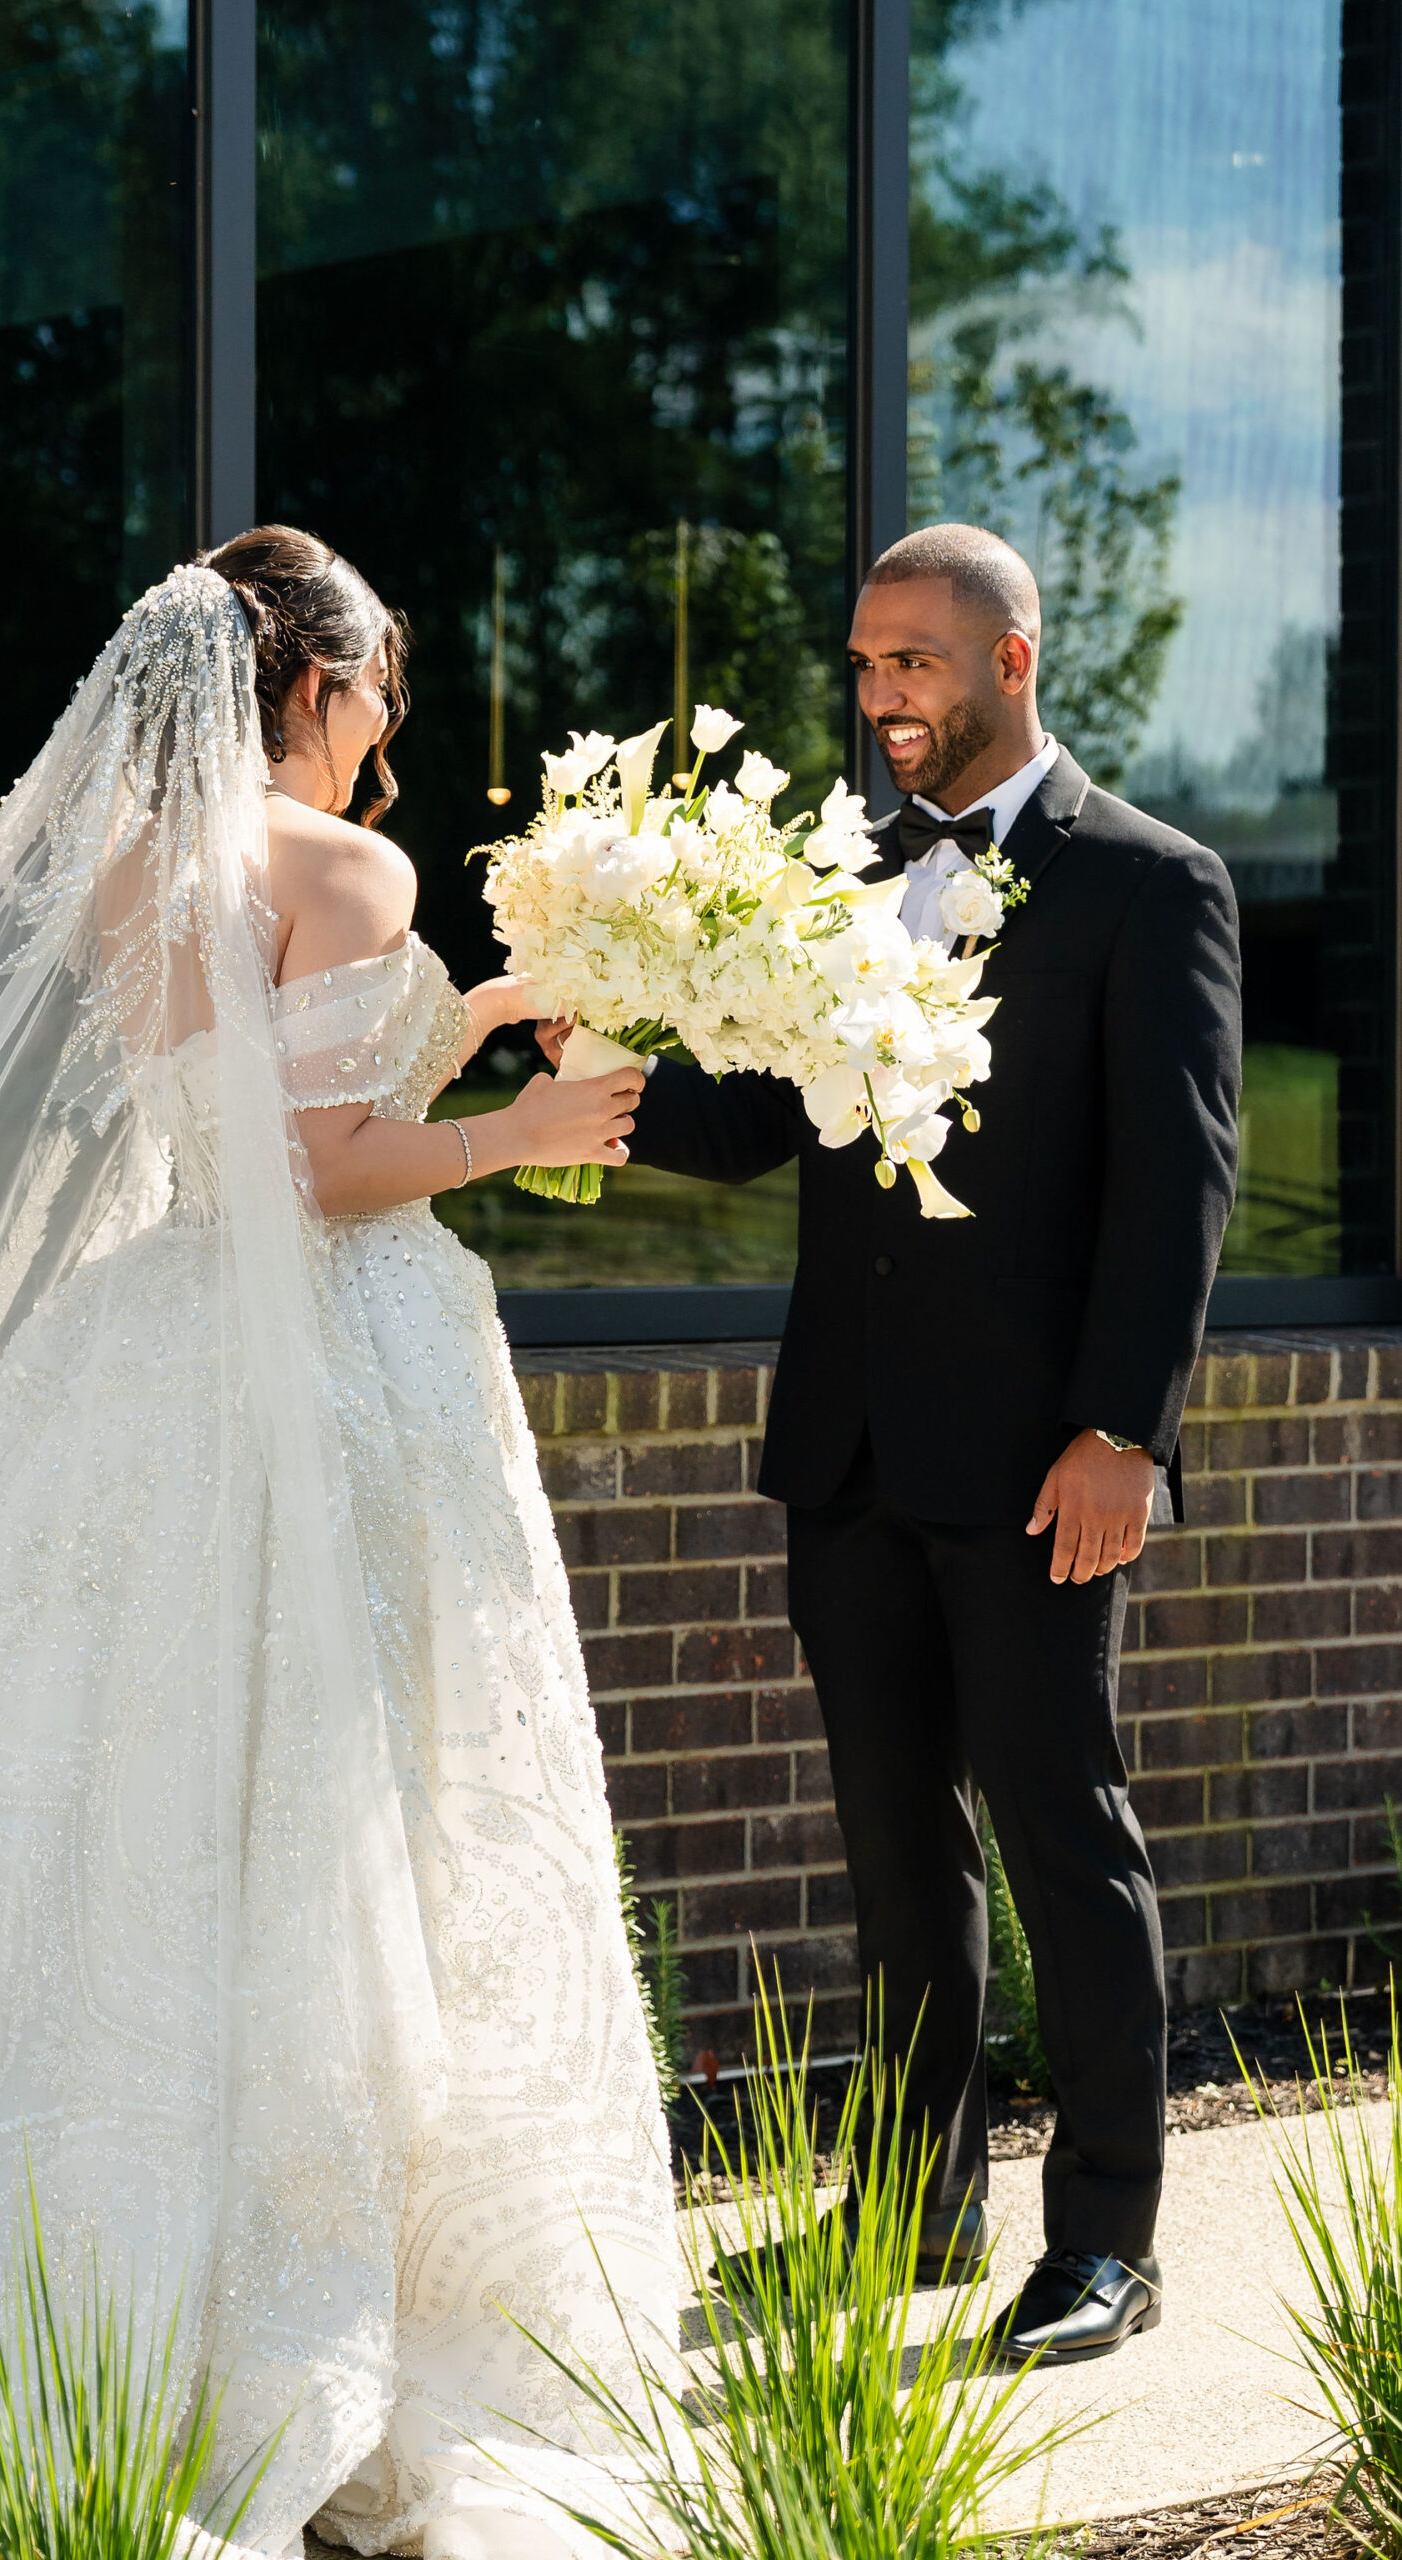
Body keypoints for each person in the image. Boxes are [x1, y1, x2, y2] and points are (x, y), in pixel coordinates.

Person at [0, 532, 671, 2558]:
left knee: (132, 1807)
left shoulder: (127, 871)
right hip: (328, 1367)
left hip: (146, 1356)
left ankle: (73, 2247)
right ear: (304, 683)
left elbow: (238, 1105)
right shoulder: (347, 866)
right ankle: (324, 2307)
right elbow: (321, 1169)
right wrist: (522, 1128)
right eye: (379, 679)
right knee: (347, 1807)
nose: (388, 718)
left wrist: (468, 1017)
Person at [583, 522, 1242, 2365]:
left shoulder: (1147, 882)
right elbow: (748, 1123)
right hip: (850, 1457)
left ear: (1010, 663)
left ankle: (1108, 2239)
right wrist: (587, 1056)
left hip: (1046, 1464)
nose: (879, 700)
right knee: (895, 1859)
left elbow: (1176, 1187)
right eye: (865, 668)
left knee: (1062, 1834)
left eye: (913, 667)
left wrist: (1125, 1428)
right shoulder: (838, 875)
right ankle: (910, 2214)